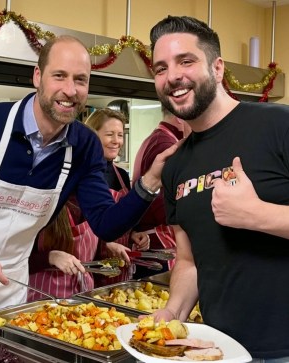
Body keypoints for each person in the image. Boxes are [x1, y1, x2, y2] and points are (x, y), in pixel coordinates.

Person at [0, 35, 177, 319]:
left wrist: (150, 182)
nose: (70, 90)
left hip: (10, 293)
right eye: (59, 76)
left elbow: (105, 224)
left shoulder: (85, 145)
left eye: (80, 80)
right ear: (38, 77)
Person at [149, 15, 289, 360]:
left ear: (217, 68)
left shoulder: (278, 125)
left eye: (186, 61)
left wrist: (258, 215)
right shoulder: (176, 167)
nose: (173, 77)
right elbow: (188, 260)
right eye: (160, 68)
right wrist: (174, 312)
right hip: (218, 349)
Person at [84, 108, 150, 286]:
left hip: (120, 270)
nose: (116, 141)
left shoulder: (120, 174)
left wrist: (135, 234)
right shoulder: (83, 175)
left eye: (120, 135)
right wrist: (106, 244)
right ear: (92, 135)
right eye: (109, 134)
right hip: (90, 269)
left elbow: (125, 216)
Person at [131, 107, 190, 277]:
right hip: (157, 246)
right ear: (180, 117)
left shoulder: (157, 139)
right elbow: (162, 202)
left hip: (154, 243)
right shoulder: (165, 145)